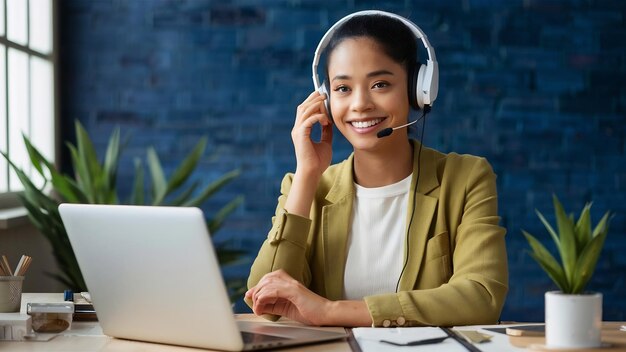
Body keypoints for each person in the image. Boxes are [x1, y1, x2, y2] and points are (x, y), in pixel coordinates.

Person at [245, 10, 508, 327]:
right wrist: (306, 176)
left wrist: (330, 312)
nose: (360, 104)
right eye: (343, 89)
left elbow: (481, 297)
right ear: (325, 99)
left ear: (417, 89)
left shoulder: (465, 178)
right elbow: (266, 303)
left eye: (380, 84)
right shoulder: (304, 186)